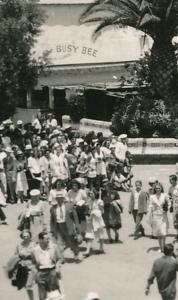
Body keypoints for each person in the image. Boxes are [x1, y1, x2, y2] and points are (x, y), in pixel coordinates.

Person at [50, 192, 81, 263]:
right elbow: (52, 220)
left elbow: (75, 218)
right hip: (58, 226)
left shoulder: (69, 206)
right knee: (59, 243)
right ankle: (61, 258)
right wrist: (52, 229)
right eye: (58, 198)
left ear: (63, 198)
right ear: (56, 199)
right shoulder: (53, 208)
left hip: (67, 226)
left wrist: (77, 227)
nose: (59, 199)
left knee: (71, 242)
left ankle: (76, 253)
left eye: (61, 198)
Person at [32, 231, 62, 300]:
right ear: (40, 240)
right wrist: (35, 274)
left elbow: (60, 259)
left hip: (52, 272)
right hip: (40, 273)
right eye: (46, 239)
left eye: (49, 238)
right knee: (42, 295)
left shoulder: (54, 247)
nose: (48, 240)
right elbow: (33, 262)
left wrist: (57, 267)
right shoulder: (34, 250)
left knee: (54, 294)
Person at [12, 230, 36, 300]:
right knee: (27, 286)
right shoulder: (19, 245)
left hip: (32, 268)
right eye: (24, 236)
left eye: (27, 236)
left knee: (30, 285)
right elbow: (15, 255)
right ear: (22, 237)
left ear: (30, 236)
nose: (25, 238)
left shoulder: (34, 245)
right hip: (22, 268)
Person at [148, 182, 169, 252]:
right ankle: (161, 247)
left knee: (163, 232)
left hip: (163, 216)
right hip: (156, 216)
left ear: (161, 189)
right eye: (156, 188)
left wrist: (166, 208)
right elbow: (150, 206)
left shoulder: (164, 195)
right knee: (158, 233)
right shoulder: (152, 197)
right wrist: (151, 211)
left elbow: (169, 203)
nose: (158, 189)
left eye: (159, 188)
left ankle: (164, 246)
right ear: (155, 189)